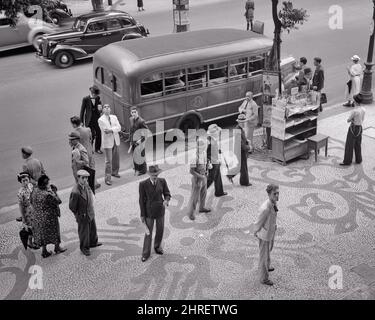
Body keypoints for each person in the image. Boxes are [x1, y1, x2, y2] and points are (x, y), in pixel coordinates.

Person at [139, 165, 171, 262]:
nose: (155, 177)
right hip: (149, 212)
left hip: (160, 210)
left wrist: (166, 200)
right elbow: (141, 200)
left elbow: (167, 193)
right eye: (153, 175)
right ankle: (145, 253)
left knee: (160, 230)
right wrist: (142, 215)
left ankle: (157, 247)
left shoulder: (162, 181)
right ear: (149, 175)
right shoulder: (143, 184)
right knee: (148, 233)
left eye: (156, 175)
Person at [30, 175, 66, 258]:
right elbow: (58, 201)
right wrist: (53, 191)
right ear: (45, 185)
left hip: (38, 218)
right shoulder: (47, 194)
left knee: (43, 235)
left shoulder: (35, 191)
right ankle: (57, 248)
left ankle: (44, 251)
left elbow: (31, 201)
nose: (49, 185)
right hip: (49, 218)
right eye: (48, 184)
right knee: (55, 232)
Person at [69, 169, 102, 256]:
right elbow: (72, 207)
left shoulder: (86, 185)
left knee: (92, 229)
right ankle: (84, 248)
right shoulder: (75, 192)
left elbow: (89, 193)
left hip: (90, 211)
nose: (85, 180)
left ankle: (93, 242)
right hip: (82, 215)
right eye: (83, 178)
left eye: (86, 178)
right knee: (84, 233)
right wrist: (78, 215)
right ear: (78, 178)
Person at [252, 184, 279, 286]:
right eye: (274, 194)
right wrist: (255, 231)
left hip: (270, 232)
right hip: (264, 235)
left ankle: (267, 266)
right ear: (269, 194)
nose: (277, 196)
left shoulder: (273, 203)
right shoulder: (265, 208)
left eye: (278, 193)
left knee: (268, 251)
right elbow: (259, 222)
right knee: (263, 255)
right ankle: (264, 278)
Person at [70, 116, 100, 190]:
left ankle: (85, 185)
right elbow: (90, 139)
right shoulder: (87, 129)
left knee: (83, 169)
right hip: (89, 151)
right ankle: (95, 182)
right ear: (80, 122)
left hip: (81, 154)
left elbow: (73, 144)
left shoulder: (74, 133)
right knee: (92, 167)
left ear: (74, 124)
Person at [187, 138, 211, 221]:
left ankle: (202, 207)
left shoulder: (204, 153)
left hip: (204, 176)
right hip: (197, 179)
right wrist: (201, 176)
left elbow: (205, 161)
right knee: (195, 197)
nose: (206, 147)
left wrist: (208, 164)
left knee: (204, 193)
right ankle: (191, 213)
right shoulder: (194, 157)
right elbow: (191, 171)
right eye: (205, 145)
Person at [98, 104, 121, 185]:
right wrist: (114, 129)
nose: (107, 108)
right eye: (105, 107)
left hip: (116, 140)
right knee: (108, 161)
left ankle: (115, 172)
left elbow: (119, 128)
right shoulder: (101, 120)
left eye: (108, 107)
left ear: (110, 109)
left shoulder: (114, 117)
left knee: (116, 157)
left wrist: (111, 130)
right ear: (103, 110)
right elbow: (105, 131)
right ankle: (107, 179)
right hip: (107, 142)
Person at [340, 94, 365, 166]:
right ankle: (358, 159)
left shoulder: (354, 111)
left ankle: (347, 161)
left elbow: (348, 120)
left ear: (356, 102)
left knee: (349, 145)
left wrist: (352, 120)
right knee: (358, 144)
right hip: (360, 128)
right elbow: (362, 119)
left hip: (353, 128)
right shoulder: (363, 109)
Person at [227, 114, 252, 186]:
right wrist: (249, 147)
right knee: (243, 167)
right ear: (238, 122)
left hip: (240, 151)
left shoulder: (239, 128)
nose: (244, 123)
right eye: (242, 122)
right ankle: (244, 182)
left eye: (244, 122)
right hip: (240, 151)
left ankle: (230, 175)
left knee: (240, 166)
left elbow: (242, 140)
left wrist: (246, 140)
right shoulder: (238, 130)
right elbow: (241, 145)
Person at [80, 85, 103, 154]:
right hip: (89, 120)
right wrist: (81, 121)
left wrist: (100, 109)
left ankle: (97, 148)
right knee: (91, 135)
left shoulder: (98, 98)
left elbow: (99, 108)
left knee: (99, 133)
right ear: (93, 93)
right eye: (95, 95)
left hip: (96, 119)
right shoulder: (85, 99)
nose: (96, 96)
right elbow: (82, 110)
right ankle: (90, 148)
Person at [17, 172, 37, 249]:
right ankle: (30, 243)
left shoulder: (30, 186)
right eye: (23, 181)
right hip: (27, 213)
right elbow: (21, 206)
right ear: (20, 182)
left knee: (35, 227)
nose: (25, 182)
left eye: (26, 180)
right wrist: (23, 217)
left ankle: (35, 241)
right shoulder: (20, 193)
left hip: (34, 210)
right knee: (30, 228)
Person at [206, 124, 227, 197]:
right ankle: (201, 191)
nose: (218, 133)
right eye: (218, 132)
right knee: (210, 179)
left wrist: (218, 151)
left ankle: (219, 192)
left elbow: (213, 150)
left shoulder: (213, 139)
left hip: (216, 161)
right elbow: (207, 154)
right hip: (213, 163)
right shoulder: (209, 141)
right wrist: (210, 162)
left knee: (218, 177)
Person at [129, 107, 149, 176]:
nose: (133, 113)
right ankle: (137, 168)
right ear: (130, 113)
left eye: (135, 112)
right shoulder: (131, 119)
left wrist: (140, 141)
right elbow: (131, 131)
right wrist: (130, 140)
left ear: (137, 112)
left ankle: (143, 170)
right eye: (132, 112)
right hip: (134, 141)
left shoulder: (141, 121)